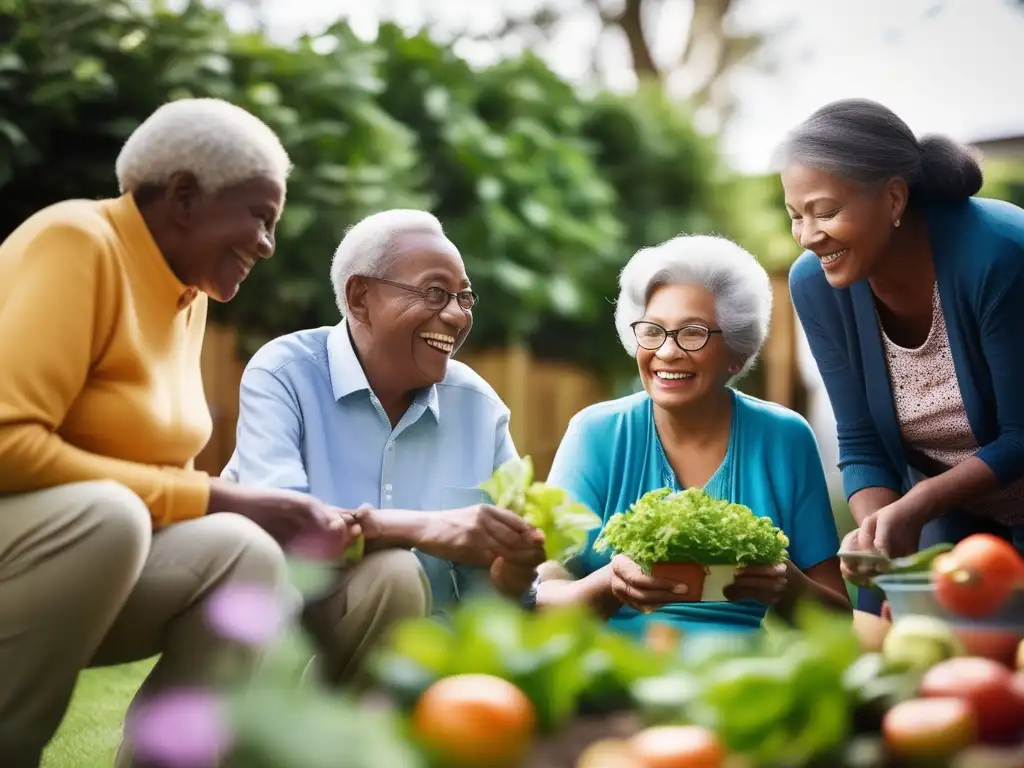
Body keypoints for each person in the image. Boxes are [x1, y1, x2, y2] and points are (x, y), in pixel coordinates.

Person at [0, 98, 366, 766]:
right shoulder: (78, 242)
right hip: (36, 549)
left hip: (82, 561)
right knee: (112, 515)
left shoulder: (183, 294)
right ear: (185, 195)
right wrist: (220, 497)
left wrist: (238, 513)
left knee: (242, 554)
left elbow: (160, 482)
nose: (267, 244)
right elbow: (6, 444)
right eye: (260, 217)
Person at [220, 208, 546, 684]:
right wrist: (422, 528)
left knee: (396, 577)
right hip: (274, 624)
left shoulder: (479, 408)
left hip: (415, 664)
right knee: (395, 572)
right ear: (359, 297)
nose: (457, 315)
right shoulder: (284, 373)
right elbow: (286, 530)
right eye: (435, 293)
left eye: (464, 297)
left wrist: (517, 566)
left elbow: (507, 598)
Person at [531, 234, 851, 639]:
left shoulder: (784, 438)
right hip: (610, 671)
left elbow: (840, 623)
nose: (667, 352)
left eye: (694, 333)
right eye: (653, 331)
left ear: (736, 350)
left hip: (737, 682)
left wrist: (788, 586)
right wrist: (609, 585)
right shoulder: (596, 434)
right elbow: (538, 599)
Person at [781, 99, 1024, 612]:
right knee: (892, 627)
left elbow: (1020, 435)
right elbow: (862, 441)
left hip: (947, 500)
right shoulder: (815, 284)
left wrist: (918, 504)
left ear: (893, 198)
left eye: (825, 212)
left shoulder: (999, 253)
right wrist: (876, 535)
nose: (808, 236)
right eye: (795, 216)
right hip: (958, 511)